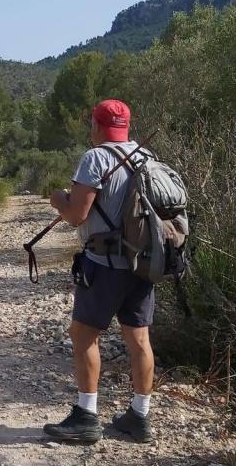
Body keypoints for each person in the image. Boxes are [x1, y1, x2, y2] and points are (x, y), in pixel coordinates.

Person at [41, 99, 155, 444]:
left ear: (97, 126)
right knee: (139, 340)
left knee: (84, 335)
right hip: (142, 264)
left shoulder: (95, 158)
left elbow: (77, 215)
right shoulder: (146, 157)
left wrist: (58, 197)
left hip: (104, 264)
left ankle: (87, 415)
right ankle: (139, 416)